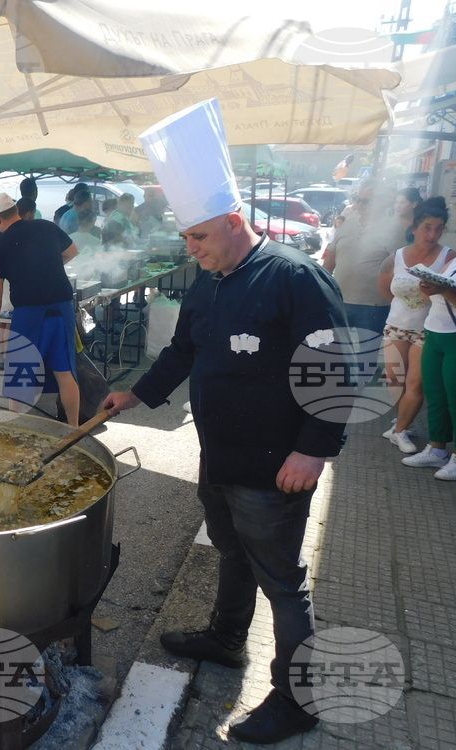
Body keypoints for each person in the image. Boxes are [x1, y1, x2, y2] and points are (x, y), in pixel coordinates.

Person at [108, 98, 351, 744]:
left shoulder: (292, 279)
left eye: (200, 237)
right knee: (230, 551)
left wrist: (315, 450)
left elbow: (334, 367)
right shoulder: (208, 280)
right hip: (220, 456)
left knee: (284, 583)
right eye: (187, 238)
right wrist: (135, 394)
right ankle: (225, 638)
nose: (192, 249)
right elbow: (185, 349)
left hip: (277, 466)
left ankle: (299, 702)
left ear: (235, 221)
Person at [401, 204, 456, 481]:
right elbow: (435, 294)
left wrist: (443, 290)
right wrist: (429, 286)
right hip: (435, 333)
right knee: (436, 397)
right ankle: (436, 448)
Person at [0, 193, 80, 426]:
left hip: (29, 313)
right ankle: (75, 429)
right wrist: (47, 267)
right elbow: (72, 252)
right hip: (61, 308)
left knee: (20, 374)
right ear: (16, 211)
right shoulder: (47, 227)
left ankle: (16, 429)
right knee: (64, 372)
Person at [377, 197, 455, 454]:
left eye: (439, 228)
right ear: (414, 228)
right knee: (394, 379)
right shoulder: (397, 256)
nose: (433, 234)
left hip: (428, 329)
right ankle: (401, 423)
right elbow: (385, 288)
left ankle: (400, 431)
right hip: (396, 326)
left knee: (415, 384)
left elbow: (455, 296)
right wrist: (406, 305)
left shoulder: (449, 257)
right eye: (427, 228)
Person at [323, 180, 407, 335]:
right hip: (339, 301)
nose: (360, 204)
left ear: (381, 201)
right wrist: (320, 288)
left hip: (373, 305)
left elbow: (399, 268)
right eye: (357, 199)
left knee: (366, 356)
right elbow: (331, 257)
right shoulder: (348, 223)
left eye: (366, 201)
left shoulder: (394, 229)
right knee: (336, 353)